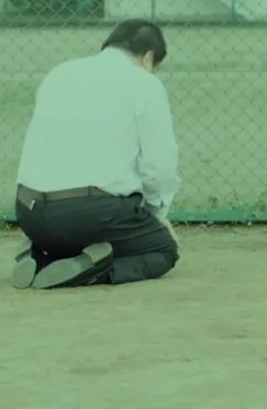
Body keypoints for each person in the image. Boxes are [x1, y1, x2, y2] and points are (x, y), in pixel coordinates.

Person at [10, 19, 182, 289]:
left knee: (83, 226)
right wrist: (156, 217)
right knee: (163, 250)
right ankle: (90, 271)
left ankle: (42, 255)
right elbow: (159, 166)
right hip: (88, 214)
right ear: (149, 57)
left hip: (29, 212)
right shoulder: (145, 83)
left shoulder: (60, 73)